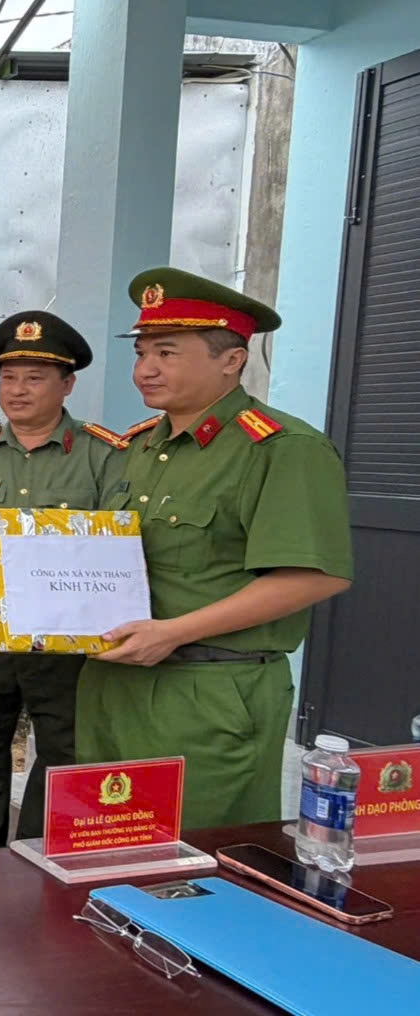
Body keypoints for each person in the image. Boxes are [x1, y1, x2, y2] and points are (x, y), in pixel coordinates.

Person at [78, 267, 354, 828]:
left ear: (231, 359)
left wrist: (174, 633)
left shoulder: (281, 449)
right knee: (105, 852)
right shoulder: (137, 448)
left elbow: (315, 576)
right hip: (114, 686)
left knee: (198, 862)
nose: (146, 369)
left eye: (168, 352)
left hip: (209, 692)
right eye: (142, 352)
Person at [0, 311, 127, 850]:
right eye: (9, 377)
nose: (18, 390)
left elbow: (115, 548)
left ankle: (43, 852)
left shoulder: (102, 456)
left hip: (68, 641)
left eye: (35, 378)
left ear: (67, 384)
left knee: (65, 750)